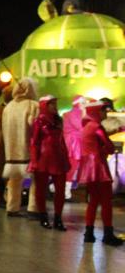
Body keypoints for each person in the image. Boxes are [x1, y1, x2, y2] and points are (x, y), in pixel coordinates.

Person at [78, 101, 122, 246]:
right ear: (96, 112)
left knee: (93, 201)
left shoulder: (87, 127)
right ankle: (108, 234)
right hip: (99, 166)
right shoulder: (97, 127)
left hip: (88, 168)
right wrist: (105, 149)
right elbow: (109, 147)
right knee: (106, 201)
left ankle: (89, 233)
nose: (105, 113)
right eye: (103, 111)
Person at [29, 95, 70, 230]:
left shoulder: (58, 121)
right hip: (43, 159)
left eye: (55, 104)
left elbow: (61, 141)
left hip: (58, 159)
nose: (55, 107)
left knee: (60, 190)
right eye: (52, 104)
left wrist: (66, 157)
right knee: (41, 190)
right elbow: (34, 143)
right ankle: (43, 216)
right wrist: (34, 160)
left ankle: (58, 218)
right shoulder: (38, 122)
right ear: (45, 106)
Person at [2, 78, 39, 217]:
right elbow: (35, 126)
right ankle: (33, 208)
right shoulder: (33, 105)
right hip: (27, 151)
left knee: (13, 181)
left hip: (10, 153)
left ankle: (12, 207)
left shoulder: (8, 107)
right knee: (35, 181)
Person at [0, 86, 14, 208]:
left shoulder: (6, 108)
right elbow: (0, 129)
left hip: (5, 145)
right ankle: (1, 198)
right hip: (2, 146)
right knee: (2, 172)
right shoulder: (3, 109)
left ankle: (4, 197)